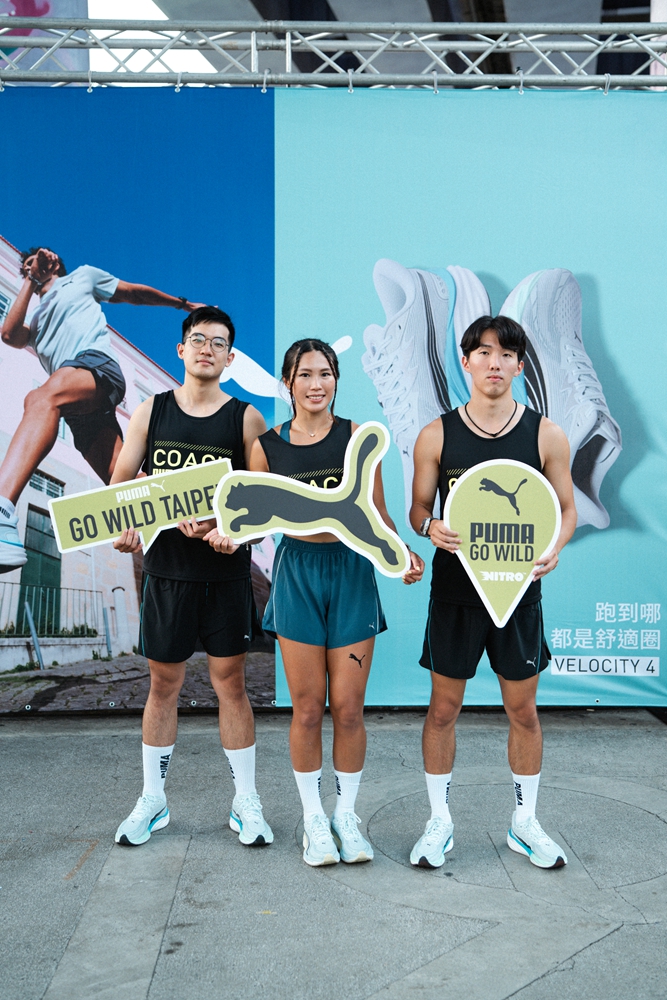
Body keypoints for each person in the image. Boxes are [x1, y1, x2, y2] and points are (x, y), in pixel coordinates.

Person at [243, 338, 424, 866]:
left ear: (336, 380)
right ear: (288, 383)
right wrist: (227, 535)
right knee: (306, 709)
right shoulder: (267, 446)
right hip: (298, 574)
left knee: (347, 708)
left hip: (351, 574)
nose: (316, 384)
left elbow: (378, 514)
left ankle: (346, 816)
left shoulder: (356, 437)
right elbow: (254, 518)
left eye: (325, 373)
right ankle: (313, 821)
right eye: (305, 374)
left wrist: (402, 555)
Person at [409, 316, 577, 870]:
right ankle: (439, 821)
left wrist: (555, 547)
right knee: (443, 709)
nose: (494, 363)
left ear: (520, 365)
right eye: (483, 352)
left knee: (523, 710)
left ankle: (525, 823)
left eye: (506, 354)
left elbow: (566, 509)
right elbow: (419, 508)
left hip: (517, 592)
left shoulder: (545, 434)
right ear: (466, 362)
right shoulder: (436, 434)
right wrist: (429, 526)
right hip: (455, 593)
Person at [110, 306, 273, 849]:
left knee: (231, 686)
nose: (207, 348)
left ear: (230, 358)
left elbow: (263, 500)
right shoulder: (150, 411)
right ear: (181, 350)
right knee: (163, 686)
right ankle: (153, 800)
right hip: (168, 573)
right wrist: (127, 523)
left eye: (218, 342)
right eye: (198, 339)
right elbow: (121, 482)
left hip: (224, 576)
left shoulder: (246, 419)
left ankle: (245, 801)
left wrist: (233, 528)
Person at [0, 246, 205, 571]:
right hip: (74, 401)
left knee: (38, 399)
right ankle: (198, 520)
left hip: (96, 368)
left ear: (53, 260)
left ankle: (2, 509)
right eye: (26, 267)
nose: (31, 267)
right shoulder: (36, 317)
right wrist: (29, 281)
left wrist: (183, 304)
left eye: (35, 261)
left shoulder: (82, 277)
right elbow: (9, 334)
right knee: (126, 483)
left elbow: (133, 293)